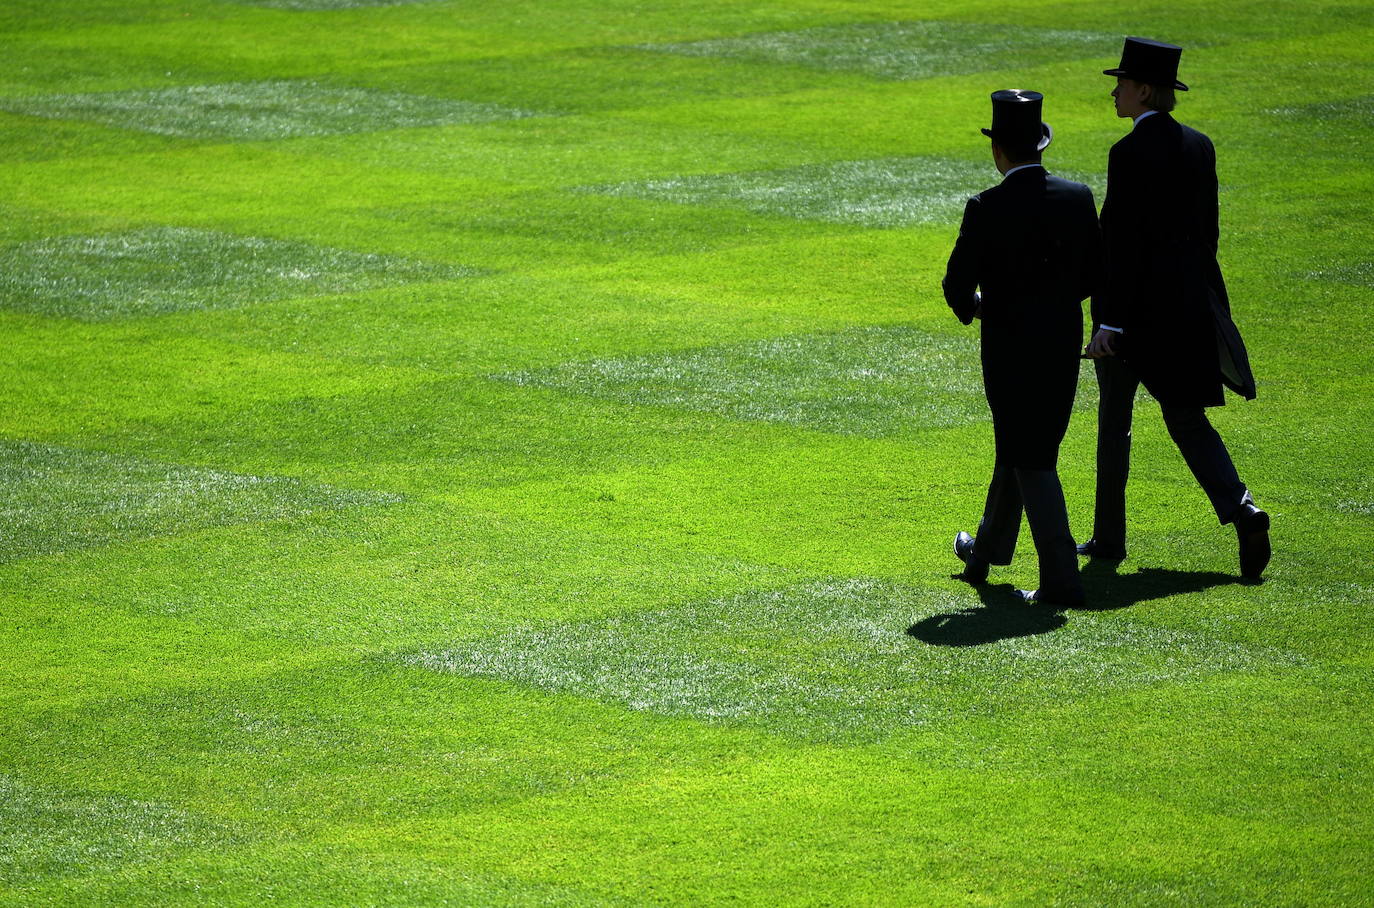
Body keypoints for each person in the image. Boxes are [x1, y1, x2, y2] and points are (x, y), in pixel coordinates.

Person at [1082, 37, 1271, 580]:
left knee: (1114, 423)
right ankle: (1242, 508)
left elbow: (1119, 243)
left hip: (1134, 320)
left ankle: (1109, 540)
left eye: (1121, 82)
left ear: (1143, 90)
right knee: (1188, 421)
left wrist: (1109, 323)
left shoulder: (1127, 153)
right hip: (1186, 311)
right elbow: (1205, 238)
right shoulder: (1200, 146)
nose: (1114, 91)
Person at [943, 89, 1102, 607]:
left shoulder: (986, 207)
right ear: (1040, 145)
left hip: (1009, 353)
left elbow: (955, 286)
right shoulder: (1077, 198)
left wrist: (988, 306)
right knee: (1023, 447)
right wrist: (1051, 304)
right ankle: (985, 551)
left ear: (999, 151)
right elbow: (1093, 274)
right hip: (1060, 346)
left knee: (1030, 456)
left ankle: (1062, 580)